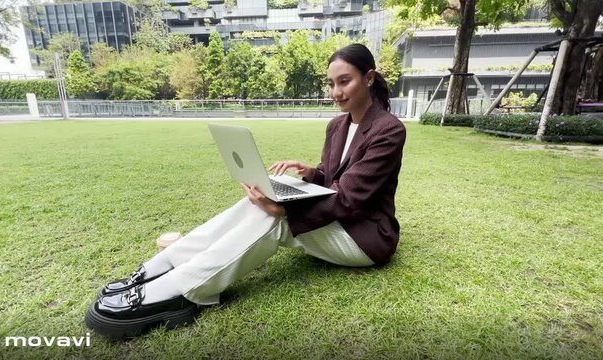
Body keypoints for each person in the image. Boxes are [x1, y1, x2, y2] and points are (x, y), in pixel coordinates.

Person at [85, 43, 407, 340]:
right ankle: (157, 269)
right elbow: (332, 178)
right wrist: (312, 172)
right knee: (256, 202)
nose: (336, 92)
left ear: (368, 78)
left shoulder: (388, 130)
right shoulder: (337, 125)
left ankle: (175, 291)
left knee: (275, 218)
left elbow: (350, 197)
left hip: (364, 237)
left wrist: (284, 210)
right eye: (331, 83)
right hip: (337, 220)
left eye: (344, 81)